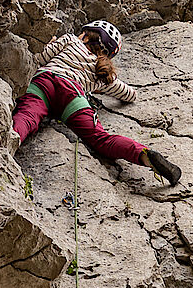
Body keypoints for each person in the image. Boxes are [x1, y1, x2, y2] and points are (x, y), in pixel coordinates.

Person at [10, 21, 182, 186]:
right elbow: (130, 95)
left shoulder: (70, 40)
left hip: (45, 81)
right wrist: (97, 86)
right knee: (101, 140)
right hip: (73, 96)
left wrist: (48, 44)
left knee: (27, 116)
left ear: (85, 36)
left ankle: (9, 143)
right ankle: (144, 155)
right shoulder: (104, 73)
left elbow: (39, 58)